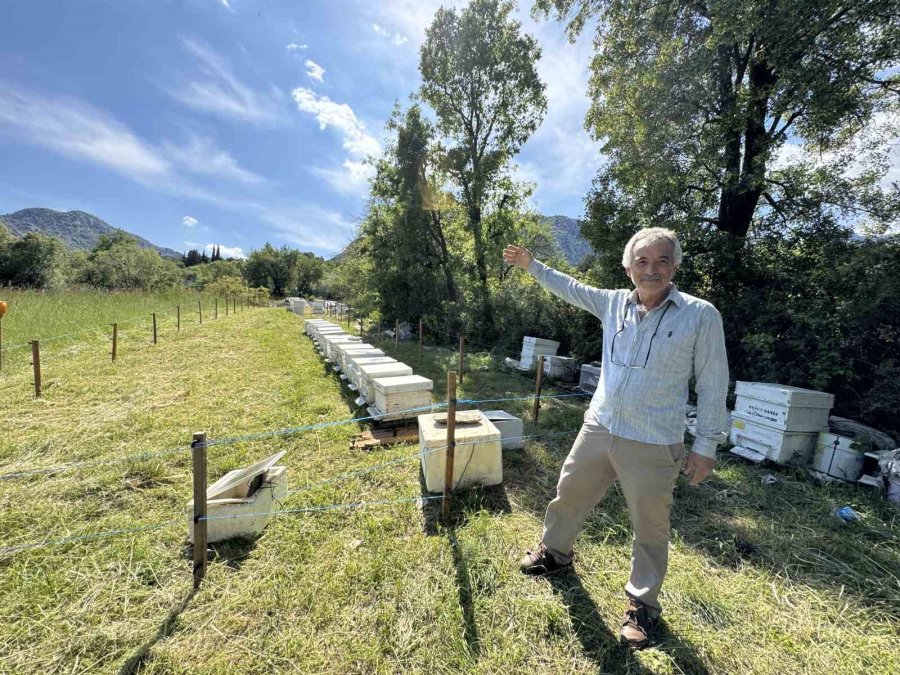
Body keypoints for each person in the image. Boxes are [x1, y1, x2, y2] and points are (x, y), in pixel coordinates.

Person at [503, 228, 729, 649]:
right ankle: (555, 553)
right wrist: (531, 265)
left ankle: (643, 606)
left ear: (675, 266)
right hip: (600, 425)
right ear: (628, 268)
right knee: (569, 491)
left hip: (654, 439)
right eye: (642, 262)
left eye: (662, 261)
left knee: (650, 525)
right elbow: (569, 287)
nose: (652, 269)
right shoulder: (612, 303)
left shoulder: (701, 315)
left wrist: (706, 446)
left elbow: (714, 383)